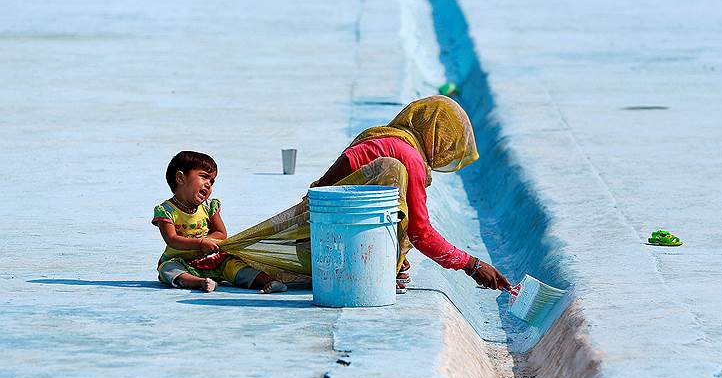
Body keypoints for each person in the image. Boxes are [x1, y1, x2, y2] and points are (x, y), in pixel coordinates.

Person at [312, 95, 511, 293]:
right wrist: (473, 266)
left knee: (401, 213)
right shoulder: (410, 157)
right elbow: (420, 233)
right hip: (328, 243)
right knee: (406, 216)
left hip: (325, 220)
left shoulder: (388, 138)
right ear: (433, 135)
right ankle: (371, 268)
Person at [151, 151, 287, 293]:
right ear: (180, 178)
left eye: (212, 181)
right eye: (204, 177)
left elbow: (221, 233)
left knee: (234, 265)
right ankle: (199, 282)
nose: (208, 184)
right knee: (167, 270)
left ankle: (269, 282)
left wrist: (207, 242)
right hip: (180, 261)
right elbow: (172, 239)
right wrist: (200, 243)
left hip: (213, 259)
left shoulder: (209, 207)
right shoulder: (166, 210)